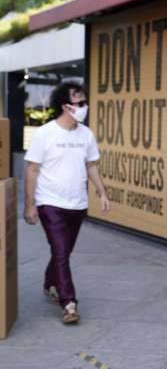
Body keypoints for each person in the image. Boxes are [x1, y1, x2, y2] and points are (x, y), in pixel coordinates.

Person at [23, 82, 110, 324]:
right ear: (65, 106)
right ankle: (69, 304)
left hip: (77, 204)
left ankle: (49, 283)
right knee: (61, 252)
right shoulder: (45, 133)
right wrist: (29, 205)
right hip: (50, 202)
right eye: (79, 103)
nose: (84, 107)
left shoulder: (86, 134)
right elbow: (32, 169)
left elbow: (92, 165)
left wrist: (102, 193)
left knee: (64, 251)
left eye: (85, 103)